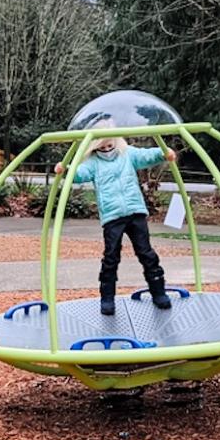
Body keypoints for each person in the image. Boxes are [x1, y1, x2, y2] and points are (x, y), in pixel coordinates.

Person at [56, 134, 177, 316]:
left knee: (146, 252)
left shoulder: (126, 154)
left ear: (116, 142)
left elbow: (146, 156)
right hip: (112, 216)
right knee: (111, 257)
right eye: (101, 148)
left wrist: (163, 153)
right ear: (94, 149)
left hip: (135, 211)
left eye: (109, 146)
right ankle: (107, 298)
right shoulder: (93, 163)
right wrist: (66, 170)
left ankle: (159, 292)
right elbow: (80, 174)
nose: (106, 151)